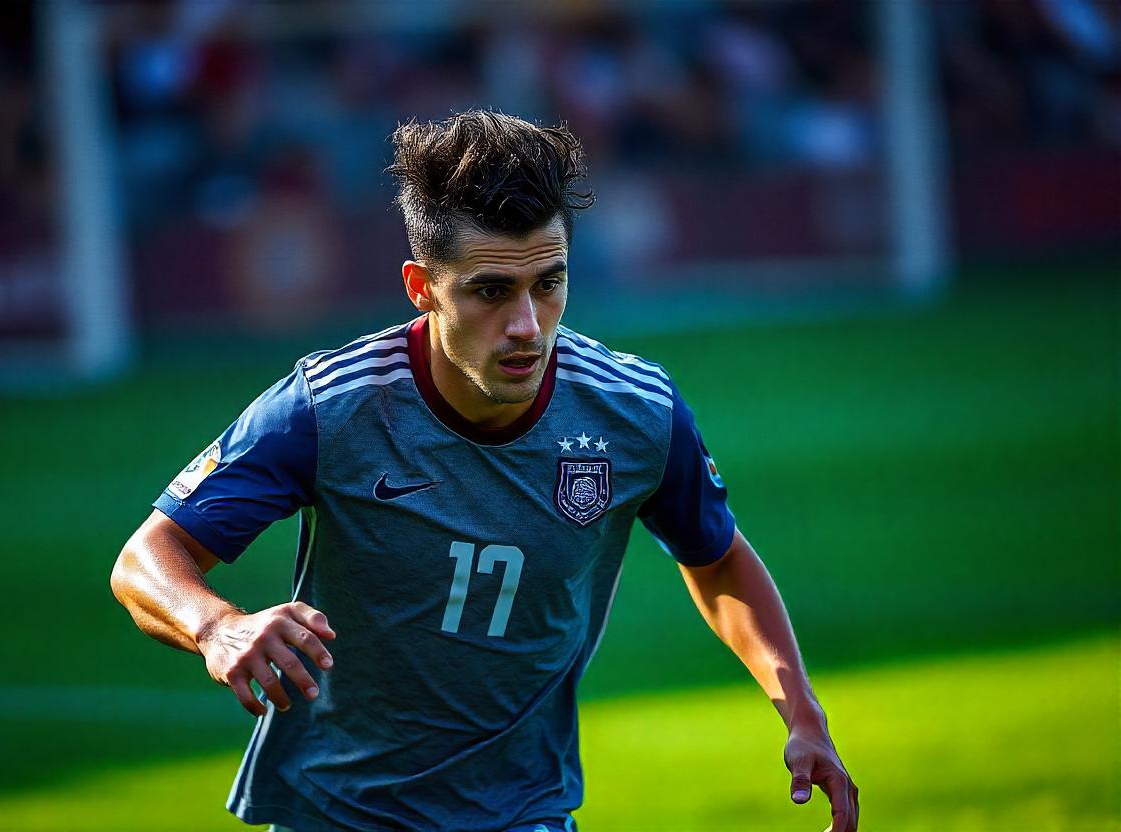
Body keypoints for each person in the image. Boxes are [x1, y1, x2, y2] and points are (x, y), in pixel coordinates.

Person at [111, 110, 858, 832]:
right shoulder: (327, 410)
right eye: (491, 291)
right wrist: (219, 626)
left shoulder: (636, 413)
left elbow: (718, 559)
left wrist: (802, 714)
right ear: (421, 287)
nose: (528, 325)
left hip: (522, 813)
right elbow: (147, 559)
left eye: (549, 283)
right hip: (338, 814)